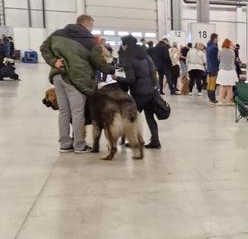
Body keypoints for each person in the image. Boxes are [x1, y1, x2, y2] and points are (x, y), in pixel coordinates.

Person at [40, 14, 114, 153]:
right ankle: (79, 146)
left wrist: (53, 61)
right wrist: (112, 69)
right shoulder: (90, 41)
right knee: (77, 113)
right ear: (87, 25)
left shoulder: (57, 33)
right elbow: (98, 62)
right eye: (91, 26)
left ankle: (65, 144)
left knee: (63, 112)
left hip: (58, 76)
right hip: (77, 79)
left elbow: (44, 47)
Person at [117, 35, 161, 149]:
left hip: (139, 93)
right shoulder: (145, 55)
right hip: (151, 91)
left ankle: (134, 141)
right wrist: (155, 88)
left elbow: (131, 80)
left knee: (132, 117)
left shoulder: (129, 58)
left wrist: (117, 78)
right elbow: (153, 72)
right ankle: (155, 141)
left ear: (126, 45)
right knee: (150, 117)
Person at [217, 38, 237, 105]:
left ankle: (220, 101)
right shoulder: (232, 51)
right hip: (231, 70)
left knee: (222, 86)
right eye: (231, 44)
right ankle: (229, 101)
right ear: (228, 44)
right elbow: (233, 60)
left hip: (223, 70)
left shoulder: (220, 51)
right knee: (230, 87)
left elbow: (219, 59)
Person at [206, 33, 220, 103]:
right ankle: (212, 98)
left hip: (209, 67)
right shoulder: (214, 47)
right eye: (217, 38)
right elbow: (217, 58)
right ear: (214, 38)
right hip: (214, 67)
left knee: (210, 82)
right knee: (213, 83)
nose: (218, 39)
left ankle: (209, 96)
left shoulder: (208, 46)